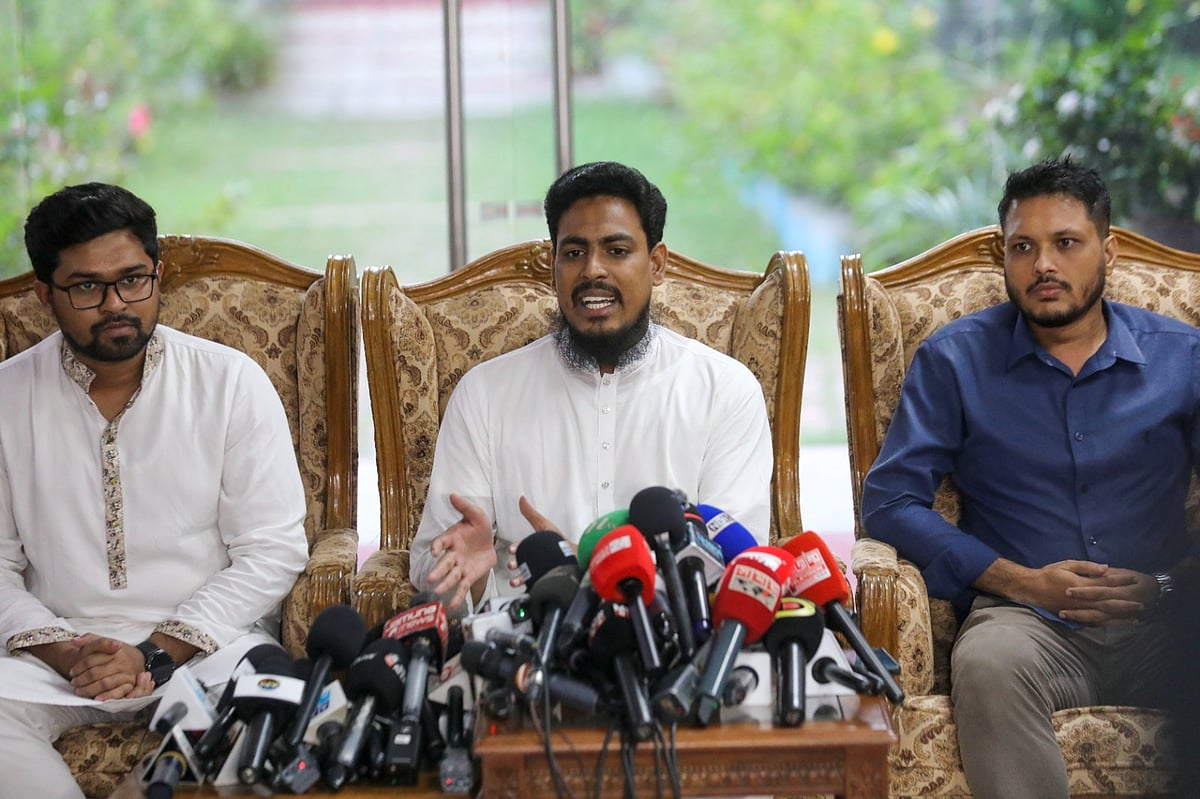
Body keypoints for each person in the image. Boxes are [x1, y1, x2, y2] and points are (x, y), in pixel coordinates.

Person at [861, 157, 1200, 799]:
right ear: (1003, 255)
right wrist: (1018, 580)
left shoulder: (1182, 359)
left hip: (1165, 621)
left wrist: (1166, 586)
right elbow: (889, 501)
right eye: (1024, 247)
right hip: (1023, 625)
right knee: (988, 662)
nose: (1044, 264)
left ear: (1109, 248)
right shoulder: (954, 360)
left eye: (1066, 243)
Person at [0, 183, 310, 798]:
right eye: (87, 286)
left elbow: (272, 549)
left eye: (134, 279)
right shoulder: (8, 397)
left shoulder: (230, 383)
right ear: (45, 294)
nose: (117, 303)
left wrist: (154, 653)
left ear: (158, 274)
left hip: (205, 650)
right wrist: (67, 653)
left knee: (276, 708)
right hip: (56, 659)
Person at [409, 161, 774, 612]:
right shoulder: (484, 394)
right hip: (525, 650)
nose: (592, 270)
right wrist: (472, 576)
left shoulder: (724, 390)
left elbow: (738, 568)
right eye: (574, 252)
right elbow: (434, 573)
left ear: (657, 264)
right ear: (554, 264)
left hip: (673, 652)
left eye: (617, 251)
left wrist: (588, 571)